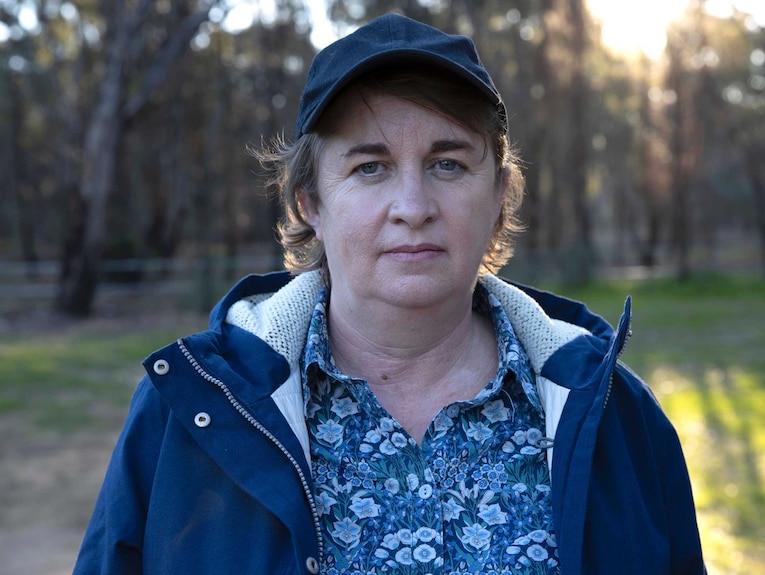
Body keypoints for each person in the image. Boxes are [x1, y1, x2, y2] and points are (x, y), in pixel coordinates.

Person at [73, 13, 706, 575]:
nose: (413, 207)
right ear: (310, 201)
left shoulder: (616, 415)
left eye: (449, 164)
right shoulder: (188, 414)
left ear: (497, 196)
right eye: (370, 167)